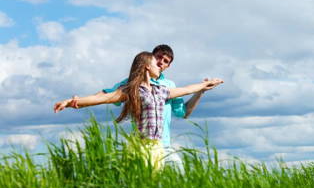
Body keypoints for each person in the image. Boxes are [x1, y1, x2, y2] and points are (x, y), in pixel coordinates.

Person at [54, 51, 223, 169]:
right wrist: (72, 101)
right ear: (147, 67)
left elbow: (186, 89)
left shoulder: (161, 90)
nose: (159, 66)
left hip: (157, 147)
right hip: (141, 146)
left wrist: (205, 85)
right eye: (156, 63)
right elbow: (102, 98)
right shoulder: (131, 91)